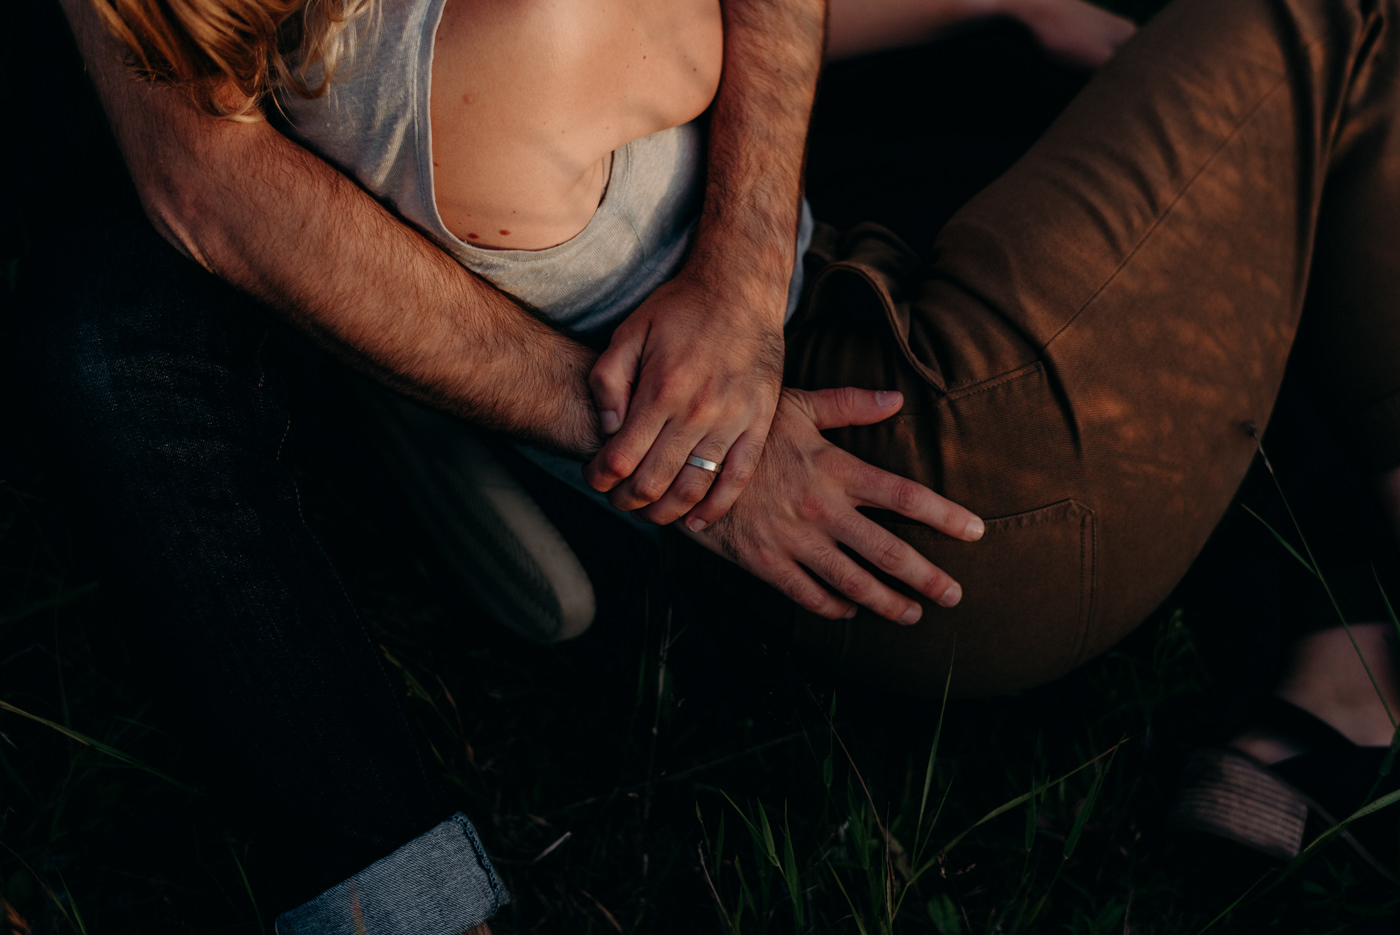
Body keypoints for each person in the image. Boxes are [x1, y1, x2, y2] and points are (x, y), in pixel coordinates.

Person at [31, 0, 1400, 929]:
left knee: (1098, 118)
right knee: (1319, 24)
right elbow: (724, 28)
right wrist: (735, 303)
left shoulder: (271, 56)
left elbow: (209, 188)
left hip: (761, 505)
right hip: (934, 480)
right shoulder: (531, 33)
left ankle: (1328, 638)